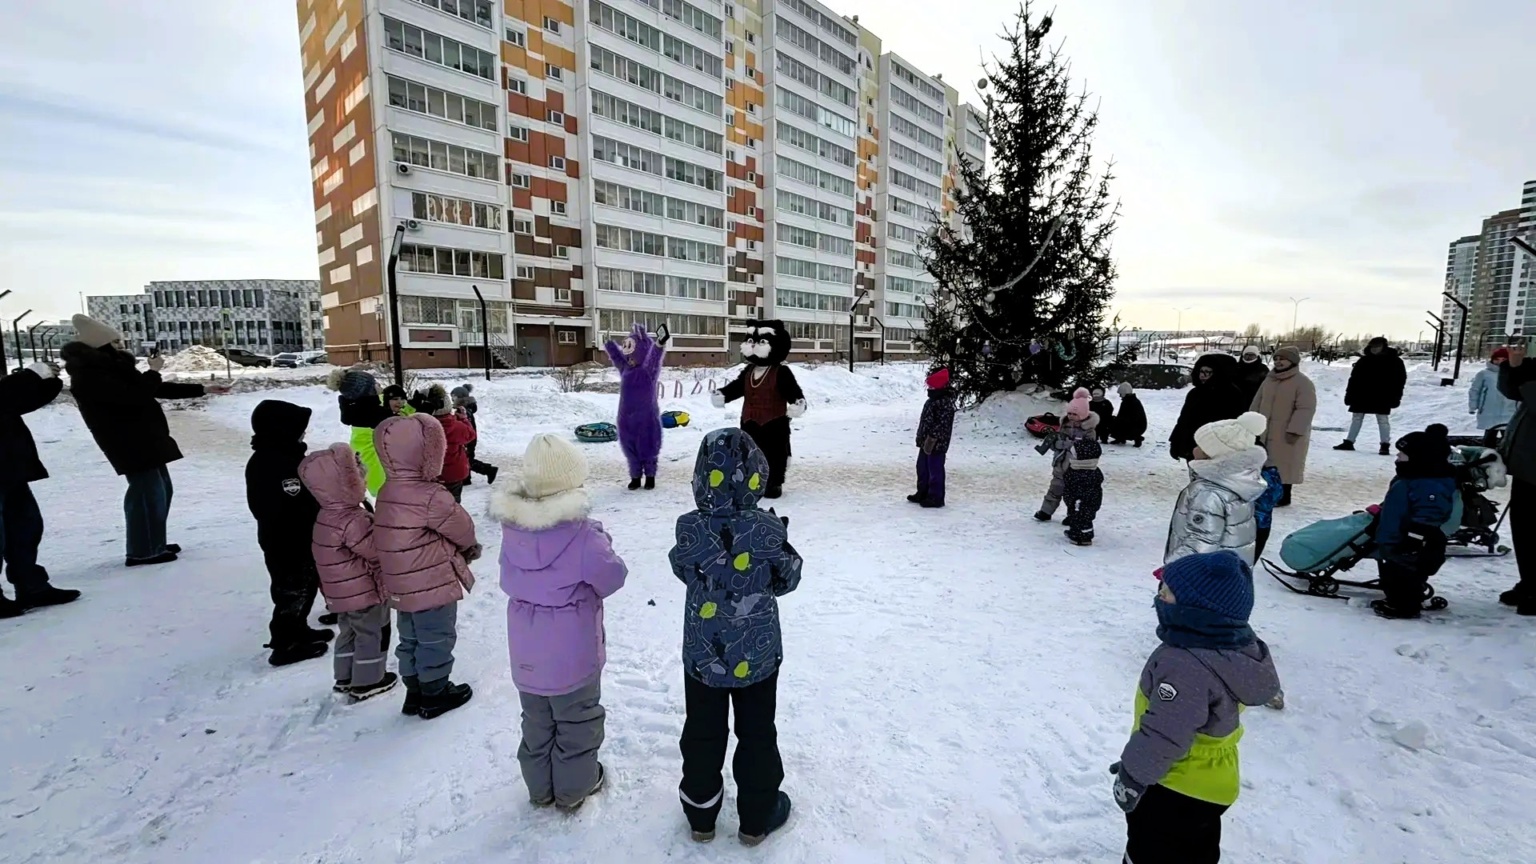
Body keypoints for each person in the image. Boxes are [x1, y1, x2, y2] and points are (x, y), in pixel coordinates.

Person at [671, 429, 803, 846]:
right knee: (757, 731)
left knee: (703, 731)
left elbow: (682, 568)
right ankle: (757, 816)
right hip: (757, 656)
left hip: (703, 654)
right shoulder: (765, 529)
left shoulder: (690, 527)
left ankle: (701, 814)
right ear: (755, 475)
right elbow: (789, 575)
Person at [1110, 551, 1282, 864]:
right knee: (1194, 849)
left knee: (1150, 851)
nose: (1158, 598)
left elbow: (1164, 734)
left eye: (1166, 594)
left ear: (1196, 611)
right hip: (1213, 783)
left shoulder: (1184, 664)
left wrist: (1134, 774)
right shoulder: (1234, 647)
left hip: (1174, 787)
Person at [491, 434, 628, 811]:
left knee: (536, 724)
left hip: (527, 652)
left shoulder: (513, 530)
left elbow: (509, 579)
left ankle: (540, 790)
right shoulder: (583, 535)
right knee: (577, 723)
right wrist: (600, 538)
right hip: (572, 654)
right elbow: (612, 577)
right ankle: (573, 790)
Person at [61, 314, 229, 566]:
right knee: (146, 493)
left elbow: (152, 388)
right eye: (116, 342)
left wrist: (203, 388)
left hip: (144, 436)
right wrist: (153, 371)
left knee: (161, 489)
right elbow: (136, 395)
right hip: (126, 440)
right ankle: (143, 549)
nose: (122, 346)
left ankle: (154, 540)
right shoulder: (89, 375)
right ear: (100, 345)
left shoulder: (113, 367)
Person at [374, 414, 481, 718]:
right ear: (429, 453)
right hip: (431, 581)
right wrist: (467, 548)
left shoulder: (387, 491)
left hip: (401, 585)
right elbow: (462, 530)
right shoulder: (431, 495)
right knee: (436, 636)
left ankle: (414, 692)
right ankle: (435, 693)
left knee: (410, 638)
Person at [299, 443, 398, 701]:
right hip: (365, 589)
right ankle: (368, 680)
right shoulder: (354, 519)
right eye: (361, 479)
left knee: (349, 631)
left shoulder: (326, 514)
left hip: (340, 592)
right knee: (372, 633)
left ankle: (344, 676)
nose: (364, 483)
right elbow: (375, 551)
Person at [245, 400, 334, 666]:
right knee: (291, 591)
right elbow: (278, 504)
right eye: (299, 429)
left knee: (305, 587)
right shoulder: (271, 463)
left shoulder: (288, 456)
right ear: (281, 430)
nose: (304, 433)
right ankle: (285, 644)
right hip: (286, 541)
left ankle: (299, 629)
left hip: (300, 538)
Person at [0, 361, 80, 618]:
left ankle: (31, 586)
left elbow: (15, 402)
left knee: (26, 527)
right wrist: (32, 376)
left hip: (8, 464)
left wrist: (49, 380)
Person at [1370, 425, 1457, 620]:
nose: (1397, 457)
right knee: (1392, 572)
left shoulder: (1430, 483)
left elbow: (1429, 514)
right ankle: (1395, 599)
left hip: (1411, 541)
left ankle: (1404, 607)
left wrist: (1415, 537)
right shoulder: (1411, 477)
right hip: (1396, 536)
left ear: (1420, 457)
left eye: (1402, 454)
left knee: (1405, 575)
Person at [1164, 413, 1269, 566]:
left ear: (1214, 454)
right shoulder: (1238, 484)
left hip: (1199, 577)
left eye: (1200, 446)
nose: (1194, 449)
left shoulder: (1208, 494)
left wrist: (1174, 569)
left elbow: (1201, 541)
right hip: (1226, 576)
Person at [1251, 346, 1317, 507]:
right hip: (1265, 430)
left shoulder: (1303, 382)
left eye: (1283, 359)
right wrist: (1251, 424)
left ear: (1293, 361)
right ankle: (1266, 493)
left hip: (1287, 433)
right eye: (1276, 359)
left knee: (1285, 465)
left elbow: (1306, 409)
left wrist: (1295, 430)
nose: (1279, 362)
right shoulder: (1269, 380)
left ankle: (1284, 496)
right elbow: (1257, 402)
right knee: (1265, 463)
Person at [1496, 344, 1534, 615]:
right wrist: (1512, 366)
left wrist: (1522, 374)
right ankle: (1530, 582)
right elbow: (1512, 391)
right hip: (1528, 467)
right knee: (1524, 529)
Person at [606, 323, 666, 490]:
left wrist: (659, 344)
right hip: (626, 418)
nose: (629, 360)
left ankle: (650, 476)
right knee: (630, 449)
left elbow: (654, 357)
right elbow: (617, 358)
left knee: (648, 448)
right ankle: (635, 477)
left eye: (633, 355)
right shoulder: (626, 369)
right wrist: (610, 345)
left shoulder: (648, 371)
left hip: (646, 418)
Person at [1034, 389, 1099, 522]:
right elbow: (1057, 442)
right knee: (1055, 488)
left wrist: (1070, 445)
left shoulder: (1089, 430)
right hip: (1061, 463)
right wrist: (1055, 443)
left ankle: (1072, 515)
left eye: (1074, 414)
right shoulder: (1065, 425)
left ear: (1083, 414)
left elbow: (1089, 449)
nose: (1071, 416)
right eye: (1069, 413)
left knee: (1074, 493)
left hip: (1077, 467)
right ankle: (1046, 511)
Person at [1335, 337, 1407, 455]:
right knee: (1357, 417)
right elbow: (1354, 379)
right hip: (1361, 394)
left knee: (1382, 419)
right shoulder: (1364, 361)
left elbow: (1399, 381)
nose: (1374, 349)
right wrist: (1349, 394)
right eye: (1372, 347)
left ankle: (1384, 445)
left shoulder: (1394, 361)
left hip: (1383, 395)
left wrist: (1396, 397)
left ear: (1383, 347)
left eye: (1377, 347)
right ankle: (1349, 442)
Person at [1168, 353, 1245, 462]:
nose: (1202, 375)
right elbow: (1184, 420)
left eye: (1207, 372)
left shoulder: (1232, 394)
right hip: (1193, 446)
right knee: (1196, 477)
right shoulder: (1195, 393)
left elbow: (1234, 424)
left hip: (1218, 449)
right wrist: (1176, 442)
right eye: (1201, 371)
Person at [329, 369, 392, 497]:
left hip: (368, 469)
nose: (379, 385)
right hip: (382, 475)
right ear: (369, 391)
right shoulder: (376, 414)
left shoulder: (357, 411)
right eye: (375, 383)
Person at [409, 385, 476, 502]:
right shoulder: (456, 426)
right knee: (453, 504)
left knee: (432, 505)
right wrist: (464, 419)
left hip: (430, 475)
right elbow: (470, 435)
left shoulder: (421, 426)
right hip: (454, 474)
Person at [908, 368, 955, 508]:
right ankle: (923, 492)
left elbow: (942, 425)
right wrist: (922, 437)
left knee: (935, 470)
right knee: (922, 467)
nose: (929, 389)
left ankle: (936, 497)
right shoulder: (932, 400)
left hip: (937, 443)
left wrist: (932, 438)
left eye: (932, 386)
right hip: (925, 441)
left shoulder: (945, 403)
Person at [1469, 348, 1517, 448]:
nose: (1499, 362)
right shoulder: (1484, 374)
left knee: (1508, 439)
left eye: (1503, 359)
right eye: (1497, 359)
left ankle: (1506, 459)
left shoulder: (1514, 374)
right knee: (1489, 437)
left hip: (1509, 411)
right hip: (1489, 410)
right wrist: (1473, 406)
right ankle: (1487, 456)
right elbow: (1475, 390)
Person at [450, 384, 497, 484]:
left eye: (453, 396)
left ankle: (489, 470)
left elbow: (465, 425)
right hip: (469, 437)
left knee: (467, 459)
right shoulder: (467, 407)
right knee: (467, 458)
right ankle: (466, 479)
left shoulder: (463, 410)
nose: (452, 399)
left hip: (467, 439)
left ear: (460, 397)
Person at [1061, 436, 1103, 546]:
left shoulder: (1075, 473)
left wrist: (1070, 500)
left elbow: (1069, 487)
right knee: (1086, 518)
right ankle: (1085, 534)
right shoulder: (1095, 472)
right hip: (1091, 502)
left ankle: (1078, 536)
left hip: (1077, 502)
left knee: (1079, 517)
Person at [1110, 382, 1147, 447]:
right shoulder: (1130, 401)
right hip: (1136, 424)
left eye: (1121, 394)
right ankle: (1120, 438)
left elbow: (1132, 417)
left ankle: (1136, 438)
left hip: (1137, 426)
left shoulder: (1130, 402)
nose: (1120, 396)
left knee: (1117, 423)